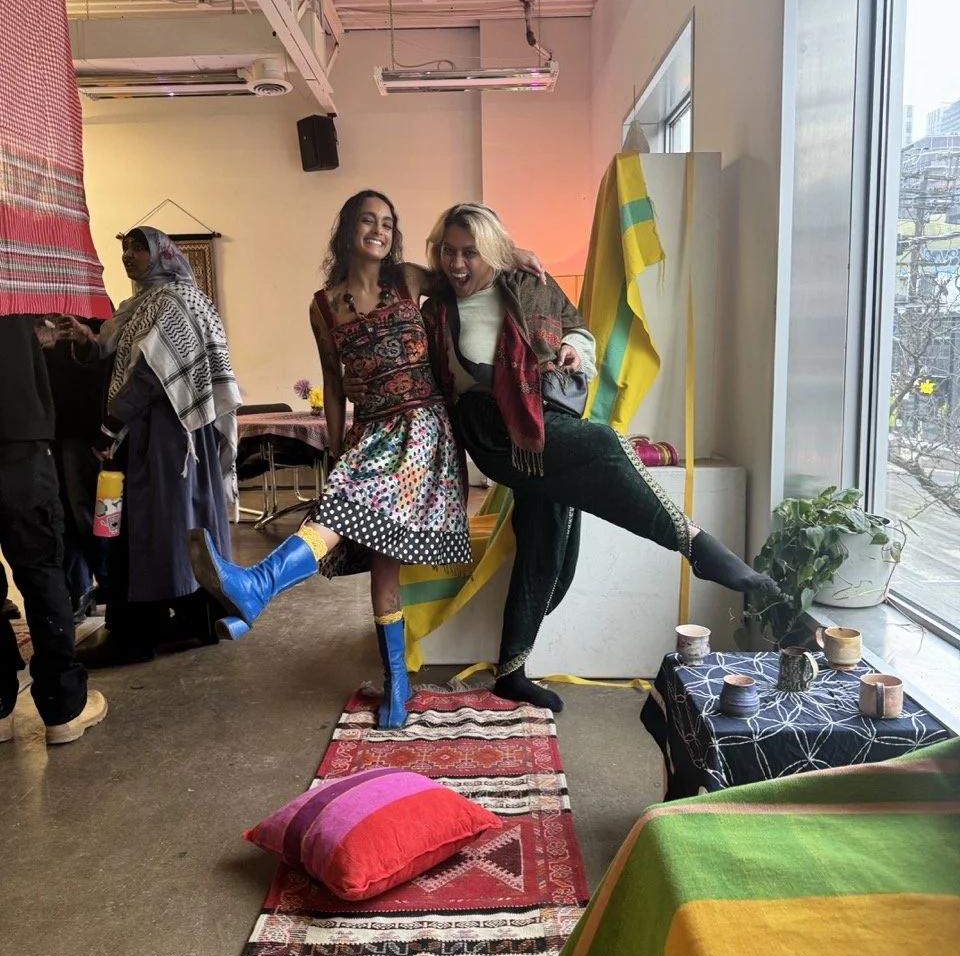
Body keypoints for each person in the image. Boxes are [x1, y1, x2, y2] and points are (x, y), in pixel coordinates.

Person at [420, 202, 780, 713]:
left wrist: (573, 350)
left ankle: (511, 672)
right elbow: (409, 274)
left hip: (546, 420)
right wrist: (497, 253)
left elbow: (577, 327)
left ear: (493, 252)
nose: (457, 263)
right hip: (497, 432)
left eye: (470, 252)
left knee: (548, 544)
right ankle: (695, 544)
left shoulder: (528, 282)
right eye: (448, 251)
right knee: (607, 445)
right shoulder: (435, 304)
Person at [187, 190, 476, 730]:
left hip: (421, 428)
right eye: (368, 220)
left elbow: (468, 271)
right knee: (373, 552)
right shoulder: (323, 304)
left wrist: (517, 263)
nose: (379, 229)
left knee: (340, 517)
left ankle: (257, 587)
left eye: (388, 222)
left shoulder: (410, 280)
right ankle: (397, 688)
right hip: (370, 432)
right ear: (347, 230)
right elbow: (333, 379)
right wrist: (338, 444)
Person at [58, 227, 241, 666]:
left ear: (162, 254)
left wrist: (110, 425)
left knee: (147, 529)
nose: (129, 256)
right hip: (176, 438)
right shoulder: (142, 304)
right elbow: (117, 352)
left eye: (138, 248)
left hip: (164, 438)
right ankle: (201, 621)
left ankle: (134, 634)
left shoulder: (173, 303)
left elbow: (150, 374)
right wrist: (88, 339)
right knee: (184, 525)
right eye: (124, 248)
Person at [0, 314, 107, 744]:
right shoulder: (18, 278)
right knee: (41, 571)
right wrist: (31, 336)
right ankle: (64, 707)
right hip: (20, 441)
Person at [38, 315, 112, 620]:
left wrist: (85, 341)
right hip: (50, 430)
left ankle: (110, 583)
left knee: (103, 514)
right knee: (63, 514)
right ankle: (79, 587)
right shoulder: (31, 311)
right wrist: (36, 343)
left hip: (93, 431)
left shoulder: (93, 307)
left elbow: (109, 362)